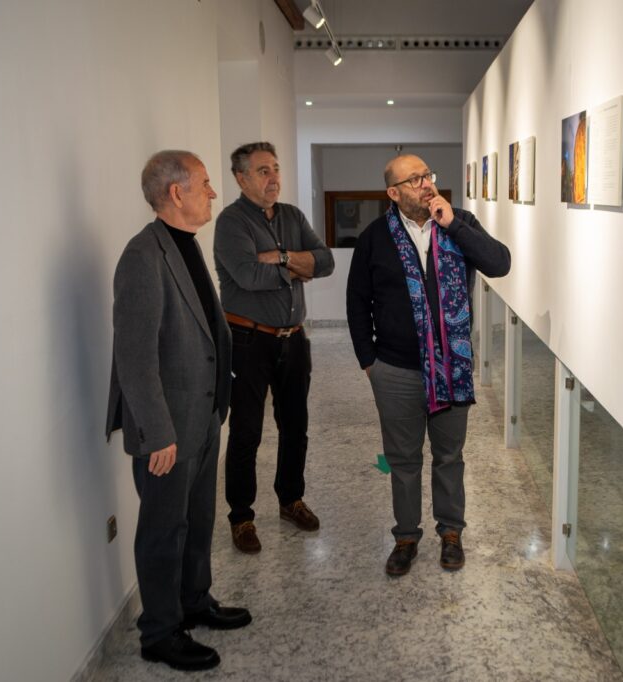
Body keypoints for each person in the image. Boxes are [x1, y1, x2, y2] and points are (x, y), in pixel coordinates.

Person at [105, 150, 250, 671]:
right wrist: (157, 433)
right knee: (164, 529)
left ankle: (195, 602)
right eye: (207, 184)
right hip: (166, 428)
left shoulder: (183, 246)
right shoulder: (143, 258)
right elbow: (135, 358)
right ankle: (160, 631)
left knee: (197, 518)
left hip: (203, 415)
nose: (213, 193)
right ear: (176, 193)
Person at [347, 154, 511, 576]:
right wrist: (370, 362)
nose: (425, 184)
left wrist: (453, 224)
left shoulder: (461, 222)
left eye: (428, 176)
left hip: (452, 368)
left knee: (449, 457)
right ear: (394, 193)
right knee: (402, 460)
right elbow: (357, 302)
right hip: (396, 370)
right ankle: (405, 537)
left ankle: (451, 533)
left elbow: (499, 263)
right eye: (414, 179)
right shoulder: (374, 238)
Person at [214, 142, 335, 553]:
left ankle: (290, 499)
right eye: (263, 171)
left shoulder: (292, 216)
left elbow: (326, 261)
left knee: (295, 425)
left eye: (276, 168)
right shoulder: (231, 223)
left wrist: (280, 256)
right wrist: (298, 267)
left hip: (293, 339)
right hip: (248, 340)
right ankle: (242, 517)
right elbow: (248, 275)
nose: (273, 178)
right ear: (241, 178)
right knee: (247, 431)